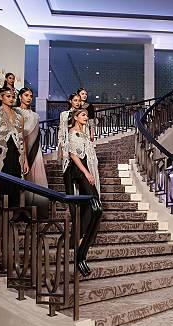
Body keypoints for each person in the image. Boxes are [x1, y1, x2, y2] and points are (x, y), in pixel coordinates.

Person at [62, 108, 101, 245]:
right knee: (93, 199)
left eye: (86, 115)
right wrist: (86, 173)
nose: (86, 117)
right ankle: (81, 236)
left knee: (90, 203)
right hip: (78, 170)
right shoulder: (73, 132)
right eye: (83, 115)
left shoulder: (83, 134)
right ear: (76, 117)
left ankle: (80, 237)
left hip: (84, 167)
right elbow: (73, 155)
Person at [0, 87, 29, 207]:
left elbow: (22, 140)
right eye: (8, 96)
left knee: (15, 185)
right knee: (0, 185)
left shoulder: (19, 117)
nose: (11, 99)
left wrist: (25, 160)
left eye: (13, 97)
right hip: (0, 156)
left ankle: (13, 216)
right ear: (1, 97)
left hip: (16, 156)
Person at [16, 87, 48, 211]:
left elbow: (36, 134)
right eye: (26, 95)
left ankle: (36, 209)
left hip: (34, 149)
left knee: (35, 178)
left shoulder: (35, 115)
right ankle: (20, 207)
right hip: (19, 148)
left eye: (30, 96)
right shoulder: (15, 112)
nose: (29, 98)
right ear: (20, 97)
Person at [58, 92, 83, 163]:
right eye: (75, 100)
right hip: (67, 143)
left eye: (79, 101)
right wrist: (61, 146)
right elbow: (61, 131)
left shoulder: (83, 114)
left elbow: (85, 130)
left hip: (79, 142)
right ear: (70, 101)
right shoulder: (64, 114)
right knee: (67, 166)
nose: (78, 103)